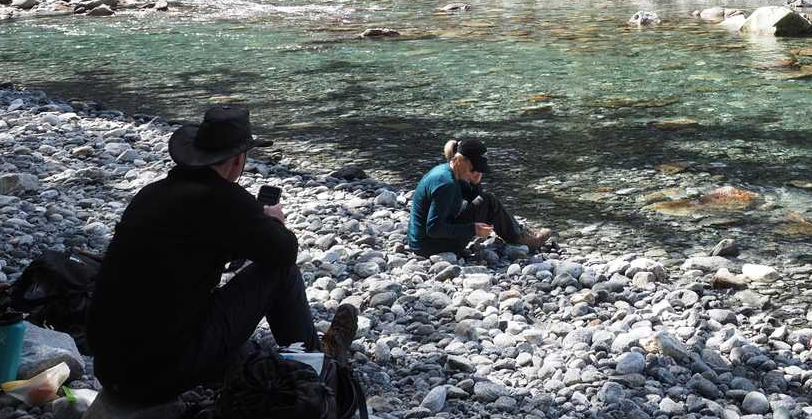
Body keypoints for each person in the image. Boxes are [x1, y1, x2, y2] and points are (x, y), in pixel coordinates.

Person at [87, 104, 357, 403]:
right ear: (237, 160)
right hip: (158, 376)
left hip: (111, 369)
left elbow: (191, 246)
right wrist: (273, 223)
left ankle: (296, 362)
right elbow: (284, 253)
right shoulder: (226, 201)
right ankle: (318, 371)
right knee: (281, 273)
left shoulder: (151, 193)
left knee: (242, 347)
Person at [407, 137, 551, 258]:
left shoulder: (449, 171)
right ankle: (522, 239)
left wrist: (475, 182)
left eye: (480, 170)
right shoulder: (446, 184)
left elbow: (476, 197)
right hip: (429, 246)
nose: (476, 173)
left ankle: (518, 232)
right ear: (459, 161)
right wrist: (473, 229)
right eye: (473, 169)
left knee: (487, 200)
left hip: (423, 241)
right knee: (489, 201)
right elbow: (434, 229)